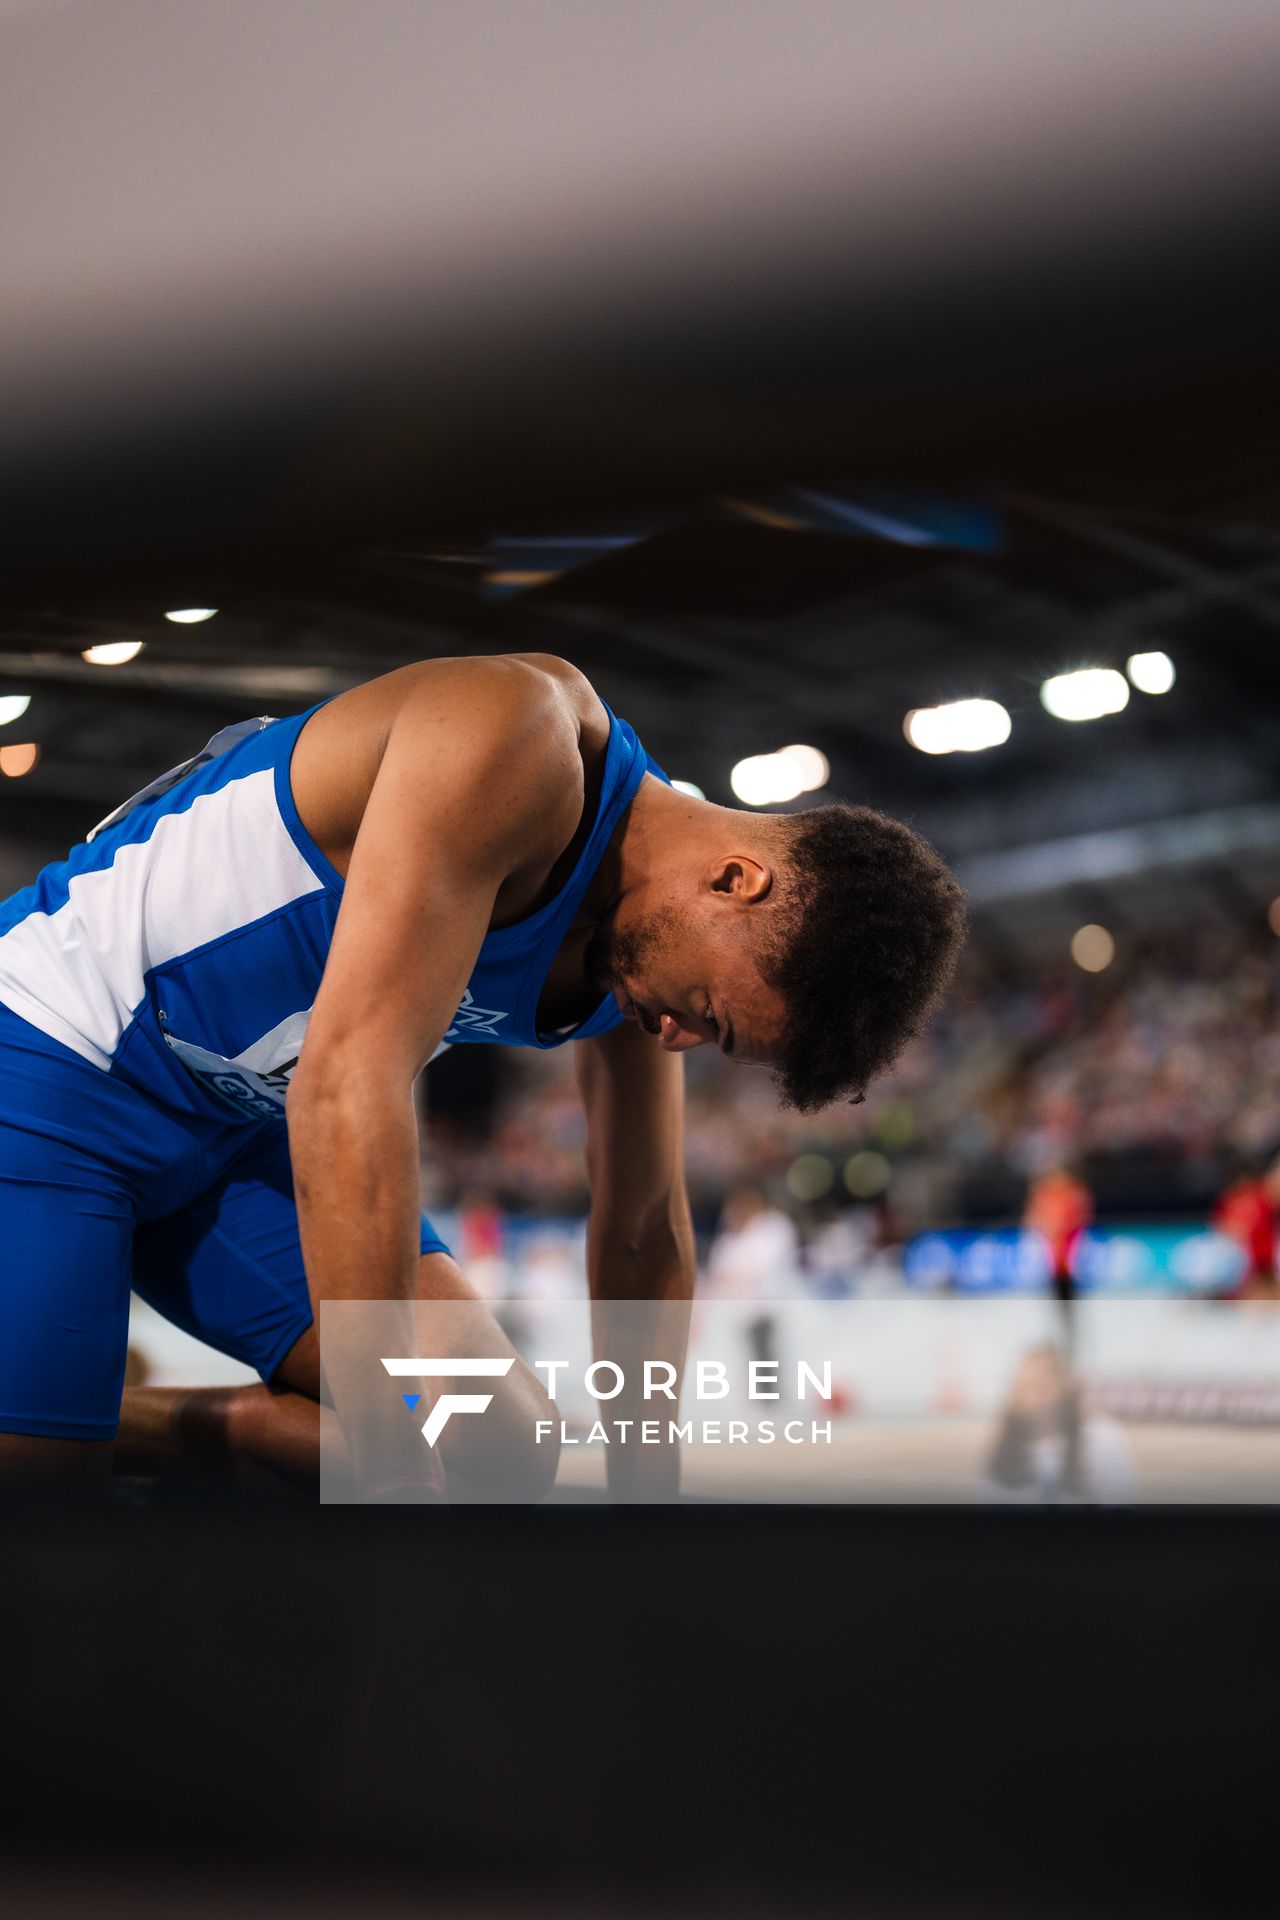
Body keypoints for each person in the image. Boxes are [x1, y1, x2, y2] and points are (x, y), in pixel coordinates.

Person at [0, 653, 965, 1492]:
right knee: (53, 1507)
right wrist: (384, 1471)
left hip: (237, 1129)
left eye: (705, 1043)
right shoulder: (512, 736)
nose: (673, 1039)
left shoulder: (643, 954)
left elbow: (642, 1229)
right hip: (53, 1056)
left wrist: (646, 1512)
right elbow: (348, 1084)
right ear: (735, 882)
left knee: (499, 1448)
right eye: (707, 1016)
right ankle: (57, 1429)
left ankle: (118, 1416)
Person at [981, 1344, 1138, 1505]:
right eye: (1022, 1388)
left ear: (1066, 1389)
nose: (1030, 1400)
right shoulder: (1004, 1452)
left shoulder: (1103, 1439)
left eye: (1040, 1387)